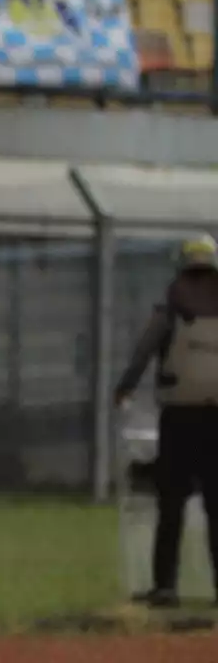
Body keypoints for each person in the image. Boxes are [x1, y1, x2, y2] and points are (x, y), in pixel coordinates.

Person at [116, 233, 218, 608]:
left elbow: (145, 349)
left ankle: (166, 586)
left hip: (180, 416)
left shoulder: (172, 304)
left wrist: (124, 388)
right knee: (216, 504)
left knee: (171, 501)